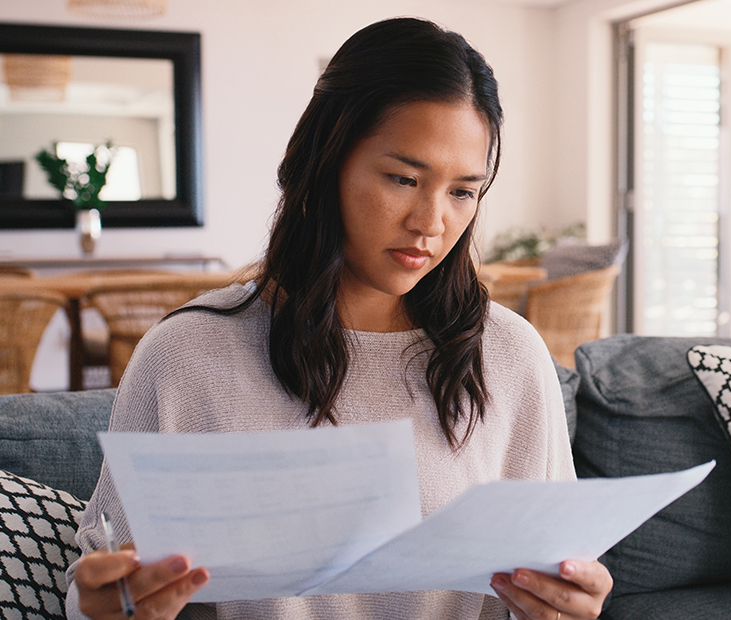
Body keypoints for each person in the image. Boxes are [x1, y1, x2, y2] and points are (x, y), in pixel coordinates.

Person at [65, 17, 613, 620]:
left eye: (463, 191)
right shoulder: (187, 355)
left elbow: (549, 577)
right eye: (403, 178)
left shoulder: (509, 355)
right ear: (324, 163)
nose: (431, 223)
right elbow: (103, 576)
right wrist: (103, 605)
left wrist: (563, 607)